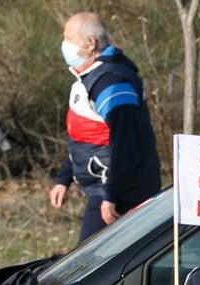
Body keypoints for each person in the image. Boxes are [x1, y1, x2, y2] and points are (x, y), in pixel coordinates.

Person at [48, 12, 161, 242]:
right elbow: (88, 136)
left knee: (86, 264)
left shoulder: (113, 82)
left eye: (69, 39)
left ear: (91, 43)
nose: (64, 45)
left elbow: (125, 142)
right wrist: (64, 178)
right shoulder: (90, 77)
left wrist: (112, 195)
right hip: (105, 186)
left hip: (121, 188)